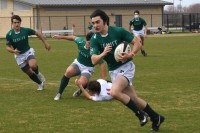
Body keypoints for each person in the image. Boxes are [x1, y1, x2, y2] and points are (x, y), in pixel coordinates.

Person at [90, 9, 164, 131]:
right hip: (113, 71)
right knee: (134, 99)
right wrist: (103, 53)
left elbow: (137, 42)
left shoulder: (118, 31)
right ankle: (156, 117)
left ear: (105, 21)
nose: (95, 25)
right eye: (93, 23)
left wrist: (131, 53)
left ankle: (140, 115)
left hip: (126, 67)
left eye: (97, 22)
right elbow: (93, 60)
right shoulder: (94, 39)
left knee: (114, 92)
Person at [52, 32, 107, 101]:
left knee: (81, 83)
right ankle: (59, 94)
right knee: (68, 72)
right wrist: (60, 37)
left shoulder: (96, 51)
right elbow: (73, 37)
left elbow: (102, 64)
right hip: (78, 63)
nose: (91, 45)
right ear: (86, 41)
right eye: (89, 43)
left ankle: (81, 89)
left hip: (88, 68)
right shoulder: (81, 42)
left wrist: (103, 80)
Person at [5, 15, 51, 91]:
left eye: (18, 22)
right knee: (29, 72)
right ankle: (40, 84)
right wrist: (13, 51)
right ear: (12, 23)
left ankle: (38, 73)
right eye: (15, 22)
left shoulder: (25, 30)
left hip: (27, 51)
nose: (16, 24)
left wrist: (45, 42)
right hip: (19, 56)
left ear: (20, 23)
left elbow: (37, 33)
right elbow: (7, 47)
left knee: (33, 65)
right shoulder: (9, 34)